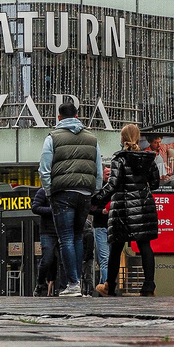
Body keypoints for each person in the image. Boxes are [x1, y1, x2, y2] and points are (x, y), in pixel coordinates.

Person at [38, 101, 102, 298]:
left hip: (62, 193)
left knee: (65, 237)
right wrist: (93, 191)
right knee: (77, 237)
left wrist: (49, 192)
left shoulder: (52, 138)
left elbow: (44, 169)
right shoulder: (92, 139)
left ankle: (73, 284)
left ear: (59, 118)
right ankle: (79, 283)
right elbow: (98, 170)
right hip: (84, 193)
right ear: (77, 116)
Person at [94, 123, 160, 297]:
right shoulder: (149, 159)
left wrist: (95, 200)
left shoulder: (119, 159)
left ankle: (110, 286)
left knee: (116, 246)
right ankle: (148, 286)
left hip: (122, 207)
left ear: (122, 139)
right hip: (143, 205)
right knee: (145, 244)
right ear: (138, 138)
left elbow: (113, 185)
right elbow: (155, 184)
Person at [30, 185, 57, 296]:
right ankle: (40, 283)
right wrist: (52, 210)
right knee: (47, 259)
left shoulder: (64, 192)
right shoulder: (43, 191)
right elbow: (35, 207)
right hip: (48, 231)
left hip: (63, 231)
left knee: (62, 261)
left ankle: (62, 286)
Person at [91, 165, 111, 292]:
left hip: (113, 227)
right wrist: (101, 211)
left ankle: (103, 285)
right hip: (100, 227)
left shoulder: (114, 189)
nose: (109, 176)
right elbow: (90, 208)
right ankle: (107, 287)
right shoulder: (97, 190)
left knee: (109, 259)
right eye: (107, 174)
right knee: (105, 259)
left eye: (110, 174)